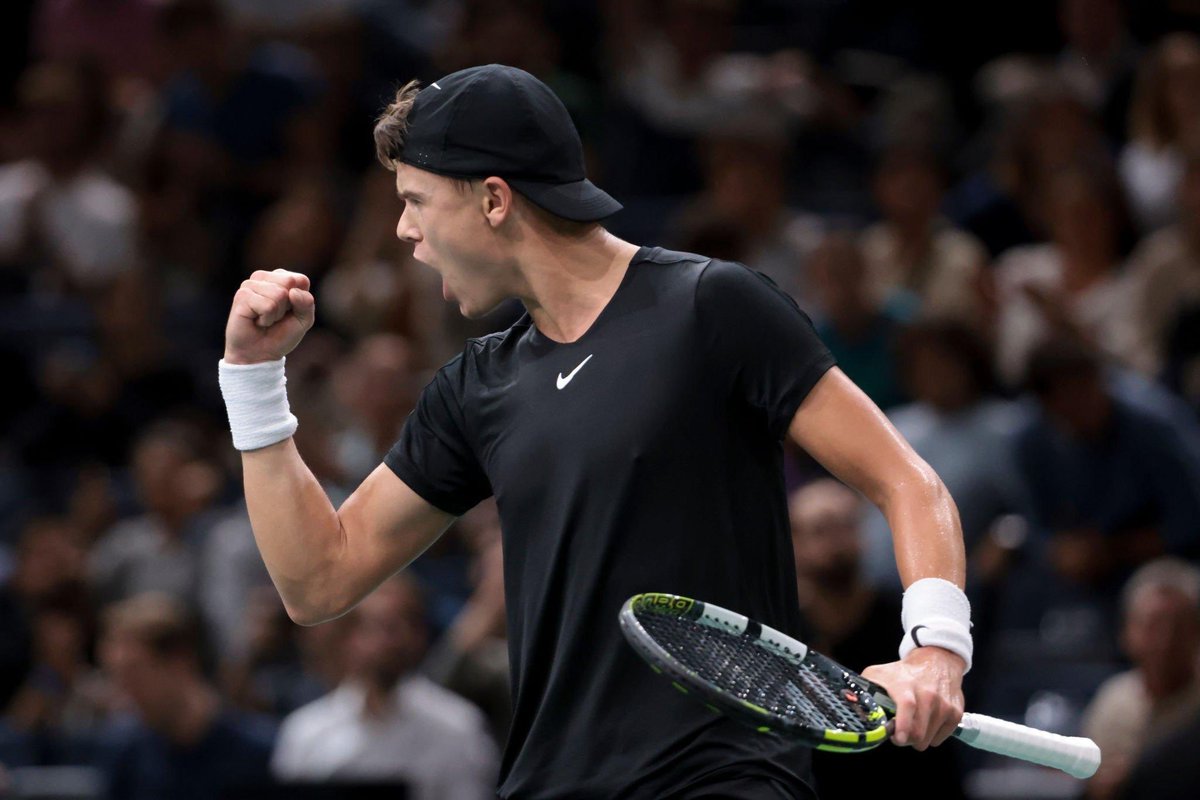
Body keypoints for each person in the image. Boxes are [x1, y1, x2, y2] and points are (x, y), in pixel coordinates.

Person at [218, 64, 971, 799]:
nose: (403, 230)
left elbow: (907, 481)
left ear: (492, 200)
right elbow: (317, 581)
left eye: (416, 200)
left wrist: (935, 649)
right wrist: (252, 378)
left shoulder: (712, 308)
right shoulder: (476, 386)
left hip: (720, 777)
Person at [271, 574, 498, 798]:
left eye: (406, 624)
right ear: (349, 637)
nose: (393, 640)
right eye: (380, 626)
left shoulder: (459, 727)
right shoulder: (305, 732)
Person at [1080, 558, 1200, 800]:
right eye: (1153, 627)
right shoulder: (1112, 703)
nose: (1165, 642)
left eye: (1177, 627)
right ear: (1127, 633)